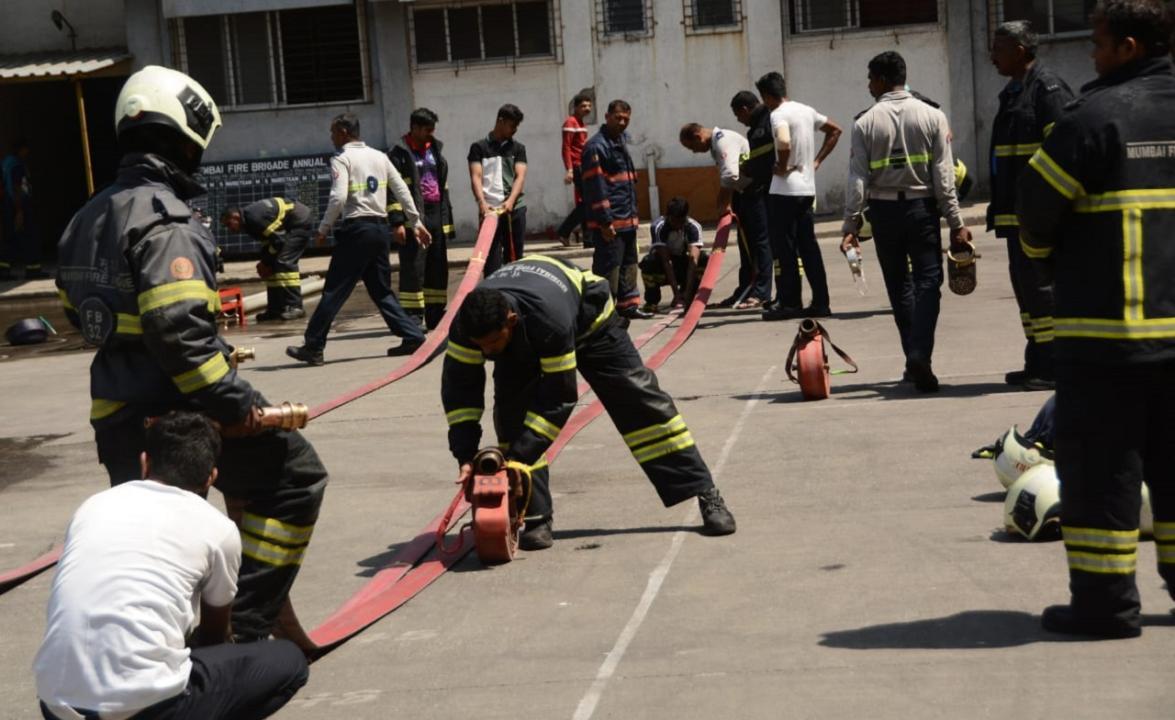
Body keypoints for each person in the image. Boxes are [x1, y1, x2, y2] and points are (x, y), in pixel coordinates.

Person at [55, 66, 329, 646]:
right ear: (182, 139)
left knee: (157, 534)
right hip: (179, 416)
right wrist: (239, 401)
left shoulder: (86, 219)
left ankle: (178, 641)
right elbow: (180, 334)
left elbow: (81, 314)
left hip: (115, 414)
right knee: (294, 478)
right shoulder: (169, 222)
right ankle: (247, 631)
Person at [1016, 0, 1175, 639]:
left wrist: (1045, 260)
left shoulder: (1095, 118)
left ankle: (1105, 608)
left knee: (1103, 473)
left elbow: (1035, 215)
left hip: (1110, 344)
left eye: (1100, 45)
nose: (1092, 54)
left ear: (1129, 47)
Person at [441, 255, 736, 550]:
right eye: (481, 346)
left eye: (492, 343)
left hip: (589, 321)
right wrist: (465, 454)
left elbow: (558, 396)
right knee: (513, 419)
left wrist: (519, 457)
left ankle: (705, 492)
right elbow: (459, 391)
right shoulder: (467, 327)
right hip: (528, 332)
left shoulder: (549, 320)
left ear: (511, 320)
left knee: (641, 402)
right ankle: (536, 517)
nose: (487, 352)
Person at [33, 412, 308, 720]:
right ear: (211, 478)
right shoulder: (217, 528)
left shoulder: (93, 506)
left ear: (144, 463)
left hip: (56, 703)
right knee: (290, 661)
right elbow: (216, 634)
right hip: (148, 707)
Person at [841, 51, 972, 393]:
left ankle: (915, 361)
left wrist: (850, 226)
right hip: (922, 212)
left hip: (884, 215)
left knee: (900, 288)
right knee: (929, 283)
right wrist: (956, 222)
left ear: (883, 79)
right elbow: (944, 177)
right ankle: (919, 355)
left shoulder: (864, 122)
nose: (869, 86)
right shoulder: (933, 116)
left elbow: (857, 179)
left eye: (871, 79)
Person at [286, 113, 428, 365]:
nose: (331, 138)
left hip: (357, 231)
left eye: (333, 132)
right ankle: (413, 335)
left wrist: (323, 227)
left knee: (333, 290)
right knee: (381, 290)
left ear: (343, 131)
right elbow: (402, 190)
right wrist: (415, 221)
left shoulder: (342, 159)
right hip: (379, 231)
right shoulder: (379, 156)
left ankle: (313, 345)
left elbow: (338, 197)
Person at [988, 20, 1075, 391]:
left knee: (1044, 291)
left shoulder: (1048, 90)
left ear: (1021, 50)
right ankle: (1037, 357)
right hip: (1015, 215)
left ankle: (1054, 364)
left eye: (999, 48)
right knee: (1027, 292)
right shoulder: (1012, 93)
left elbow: (1066, 153)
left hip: (1039, 217)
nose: (992, 56)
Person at [756, 71, 842, 320]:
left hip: (784, 191)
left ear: (768, 96)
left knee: (785, 249)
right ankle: (821, 302)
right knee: (809, 248)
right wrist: (816, 161)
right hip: (806, 188)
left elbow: (783, 141)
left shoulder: (778, 114)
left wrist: (782, 167)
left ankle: (790, 302)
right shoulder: (806, 110)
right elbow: (835, 130)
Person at [581, 99, 653, 320]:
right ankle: (604, 311)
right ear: (607, 116)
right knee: (608, 267)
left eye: (626, 119)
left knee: (629, 264)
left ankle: (628, 306)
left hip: (627, 219)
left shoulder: (620, 142)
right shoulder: (596, 146)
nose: (622, 123)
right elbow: (596, 187)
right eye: (618, 118)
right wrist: (605, 222)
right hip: (611, 222)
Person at [388, 107, 455, 331]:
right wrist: (397, 222)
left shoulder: (435, 149)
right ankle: (412, 318)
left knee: (438, 266)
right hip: (413, 217)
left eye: (432, 129)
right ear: (414, 128)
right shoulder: (398, 154)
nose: (431, 133)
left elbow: (443, 187)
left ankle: (436, 314)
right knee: (413, 268)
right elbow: (392, 191)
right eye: (427, 129)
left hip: (435, 212)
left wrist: (446, 222)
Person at [678, 122, 754, 305]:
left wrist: (723, 203)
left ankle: (758, 292)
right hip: (743, 193)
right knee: (746, 247)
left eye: (692, 147)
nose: (694, 152)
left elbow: (729, 176)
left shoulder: (722, 141)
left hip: (752, 194)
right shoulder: (716, 145)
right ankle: (745, 289)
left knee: (755, 246)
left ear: (698, 136)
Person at [221, 198, 314, 322]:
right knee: (271, 267)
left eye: (229, 224)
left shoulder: (254, 218)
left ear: (235, 217)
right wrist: (266, 263)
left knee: (284, 262)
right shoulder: (248, 223)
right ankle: (275, 309)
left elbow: (279, 241)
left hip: (299, 222)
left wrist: (265, 262)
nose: (229, 229)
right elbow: (268, 242)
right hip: (288, 227)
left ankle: (295, 307)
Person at [727, 90, 775, 310]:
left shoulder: (768, 123)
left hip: (766, 192)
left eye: (738, 115)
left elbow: (769, 160)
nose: (739, 120)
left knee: (763, 243)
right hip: (757, 190)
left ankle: (762, 292)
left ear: (745, 109)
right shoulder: (756, 128)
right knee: (753, 243)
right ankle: (748, 287)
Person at [468, 104, 528, 276]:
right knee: (491, 261)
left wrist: (510, 201)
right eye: (512, 125)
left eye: (517, 126)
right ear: (500, 121)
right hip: (489, 212)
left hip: (514, 210)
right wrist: (482, 203)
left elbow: (520, 177)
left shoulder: (518, 148)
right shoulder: (478, 148)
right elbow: (476, 177)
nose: (515, 130)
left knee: (515, 260)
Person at [637, 196, 708, 312]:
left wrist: (687, 293)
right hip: (664, 267)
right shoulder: (658, 227)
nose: (677, 225)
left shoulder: (694, 227)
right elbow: (666, 261)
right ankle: (652, 301)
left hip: (683, 265)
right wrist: (676, 295)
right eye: (674, 221)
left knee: (704, 259)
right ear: (668, 216)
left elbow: (693, 260)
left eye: (681, 221)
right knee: (647, 262)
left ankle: (690, 295)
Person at [1, 139, 44, 280]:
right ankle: (33, 270)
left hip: (8, 204)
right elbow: (17, 187)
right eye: (26, 149)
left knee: (9, 237)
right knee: (29, 235)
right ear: (21, 149)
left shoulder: (6, 163)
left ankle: (4, 272)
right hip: (18, 204)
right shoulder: (17, 165)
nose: (28, 152)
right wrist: (19, 211)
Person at [557, 93, 592, 247]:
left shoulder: (580, 123)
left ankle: (588, 240)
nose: (587, 109)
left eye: (589, 106)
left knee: (585, 203)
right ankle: (564, 231)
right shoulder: (571, 122)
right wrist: (569, 169)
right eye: (584, 106)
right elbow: (566, 147)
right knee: (587, 203)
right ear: (576, 107)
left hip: (584, 166)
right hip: (578, 167)